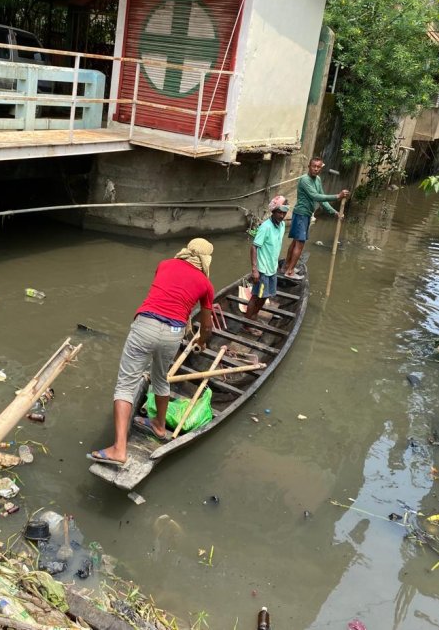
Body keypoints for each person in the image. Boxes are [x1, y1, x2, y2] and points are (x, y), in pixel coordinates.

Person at [88, 238, 215, 466]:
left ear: (186, 251)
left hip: (146, 325)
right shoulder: (206, 284)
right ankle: (158, 426)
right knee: (160, 378)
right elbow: (207, 326)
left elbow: (165, 293)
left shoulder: (165, 264)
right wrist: (203, 342)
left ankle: (119, 449)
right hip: (174, 333)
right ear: (206, 259)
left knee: (126, 385)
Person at [283, 157, 349, 277]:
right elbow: (315, 196)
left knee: (295, 242)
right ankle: (289, 271)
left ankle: (287, 266)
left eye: (318, 167)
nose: (316, 169)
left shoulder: (317, 180)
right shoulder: (305, 180)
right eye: (314, 166)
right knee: (299, 243)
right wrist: (337, 196)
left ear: (321, 168)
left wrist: (334, 212)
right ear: (309, 166)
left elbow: (322, 198)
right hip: (301, 214)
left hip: (307, 214)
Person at [243, 196, 289, 336]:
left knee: (264, 296)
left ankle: (254, 317)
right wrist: (254, 270)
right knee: (256, 297)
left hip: (272, 269)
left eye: (284, 212)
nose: (281, 215)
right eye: (279, 212)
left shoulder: (281, 225)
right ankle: (246, 325)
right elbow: (254, 247)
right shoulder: (265, 227)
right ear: (273, 212)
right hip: (262, 270)